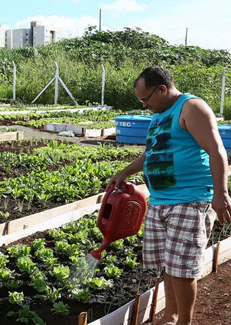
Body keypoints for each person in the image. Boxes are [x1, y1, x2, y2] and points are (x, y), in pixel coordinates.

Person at [109, 66, 231, 325]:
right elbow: (150, 154)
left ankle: (183, 321)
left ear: (162, 89)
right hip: (161, 201)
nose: (145, 105)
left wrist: (221, 193)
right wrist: (125, 172)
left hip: (190, 200)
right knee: (169, 265)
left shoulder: (191, 108)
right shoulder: (158, 115)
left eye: (146, 99)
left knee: (183, 269)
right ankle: (171, 315)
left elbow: (216, 150)